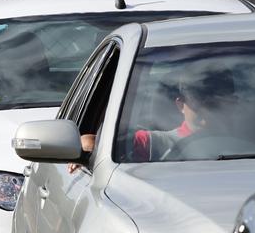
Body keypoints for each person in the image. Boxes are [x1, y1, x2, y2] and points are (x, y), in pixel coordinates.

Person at [68, 66, 234, 172]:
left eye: (216, 103)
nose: (207, 109)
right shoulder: (156, 142)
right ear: (181, 105)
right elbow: (88, 142)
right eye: (199, 102)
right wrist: (86, 152)